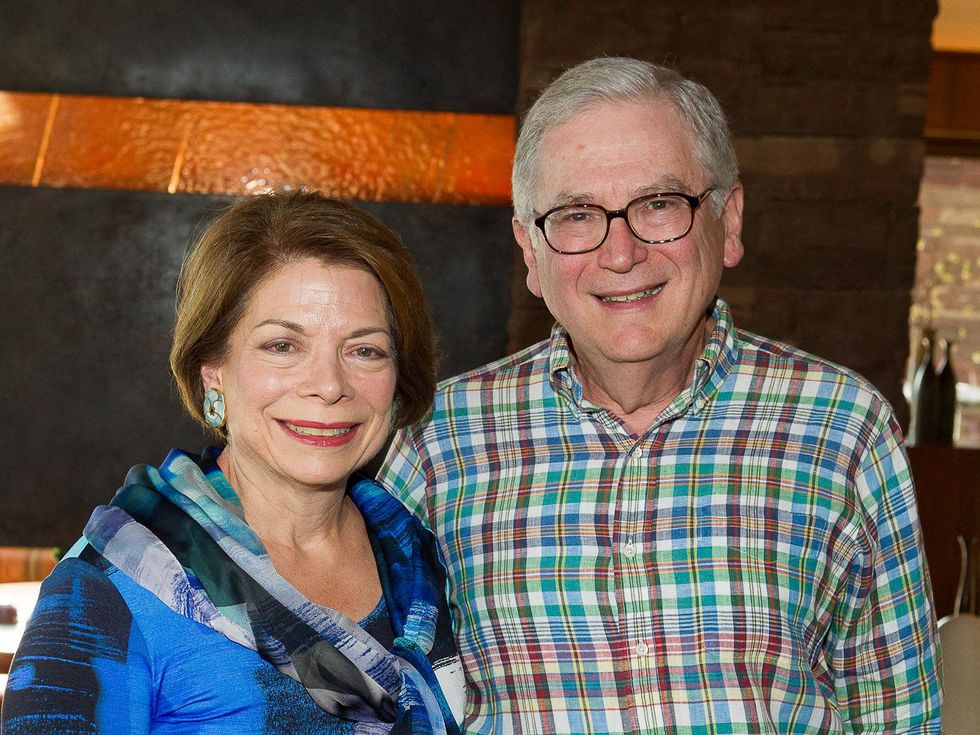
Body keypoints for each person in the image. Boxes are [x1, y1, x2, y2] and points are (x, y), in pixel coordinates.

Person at [380, 57, 941, 733]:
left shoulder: (843, 428)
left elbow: (898, 716)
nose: (620, 254)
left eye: (658, 205)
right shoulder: (435, 442)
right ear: (530, 248)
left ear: (728, 220)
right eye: (577, 214)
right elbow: (377, 702)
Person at [3, 191, 464, 733]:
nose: (330, 386)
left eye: (365, 350)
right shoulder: (109, 584)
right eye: (282, 346)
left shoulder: (425, 559)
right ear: (212, 371)